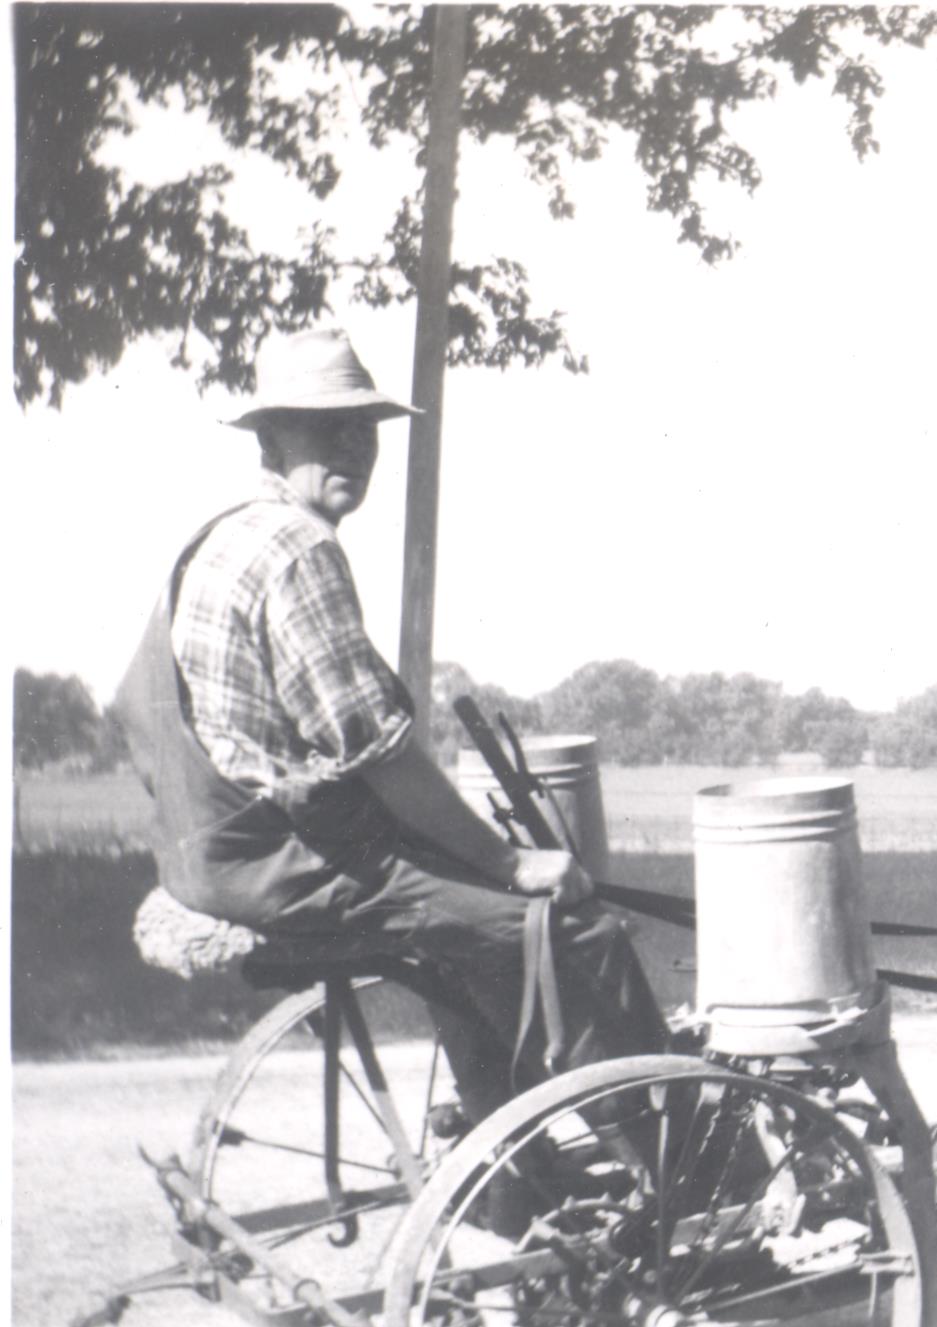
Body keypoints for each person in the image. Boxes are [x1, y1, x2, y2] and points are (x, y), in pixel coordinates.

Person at [115, 326, 666, 1133]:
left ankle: (518, 1174)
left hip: (209, 856)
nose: (353, 446)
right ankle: (695, 1187)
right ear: (269, 437)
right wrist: (512, 862)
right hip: (287, 863)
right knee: (575, 931)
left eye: (363, 426)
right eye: (324, 426)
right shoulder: (299, 550)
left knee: (475, 936)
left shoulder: (219, 540)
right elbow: (380, 755)